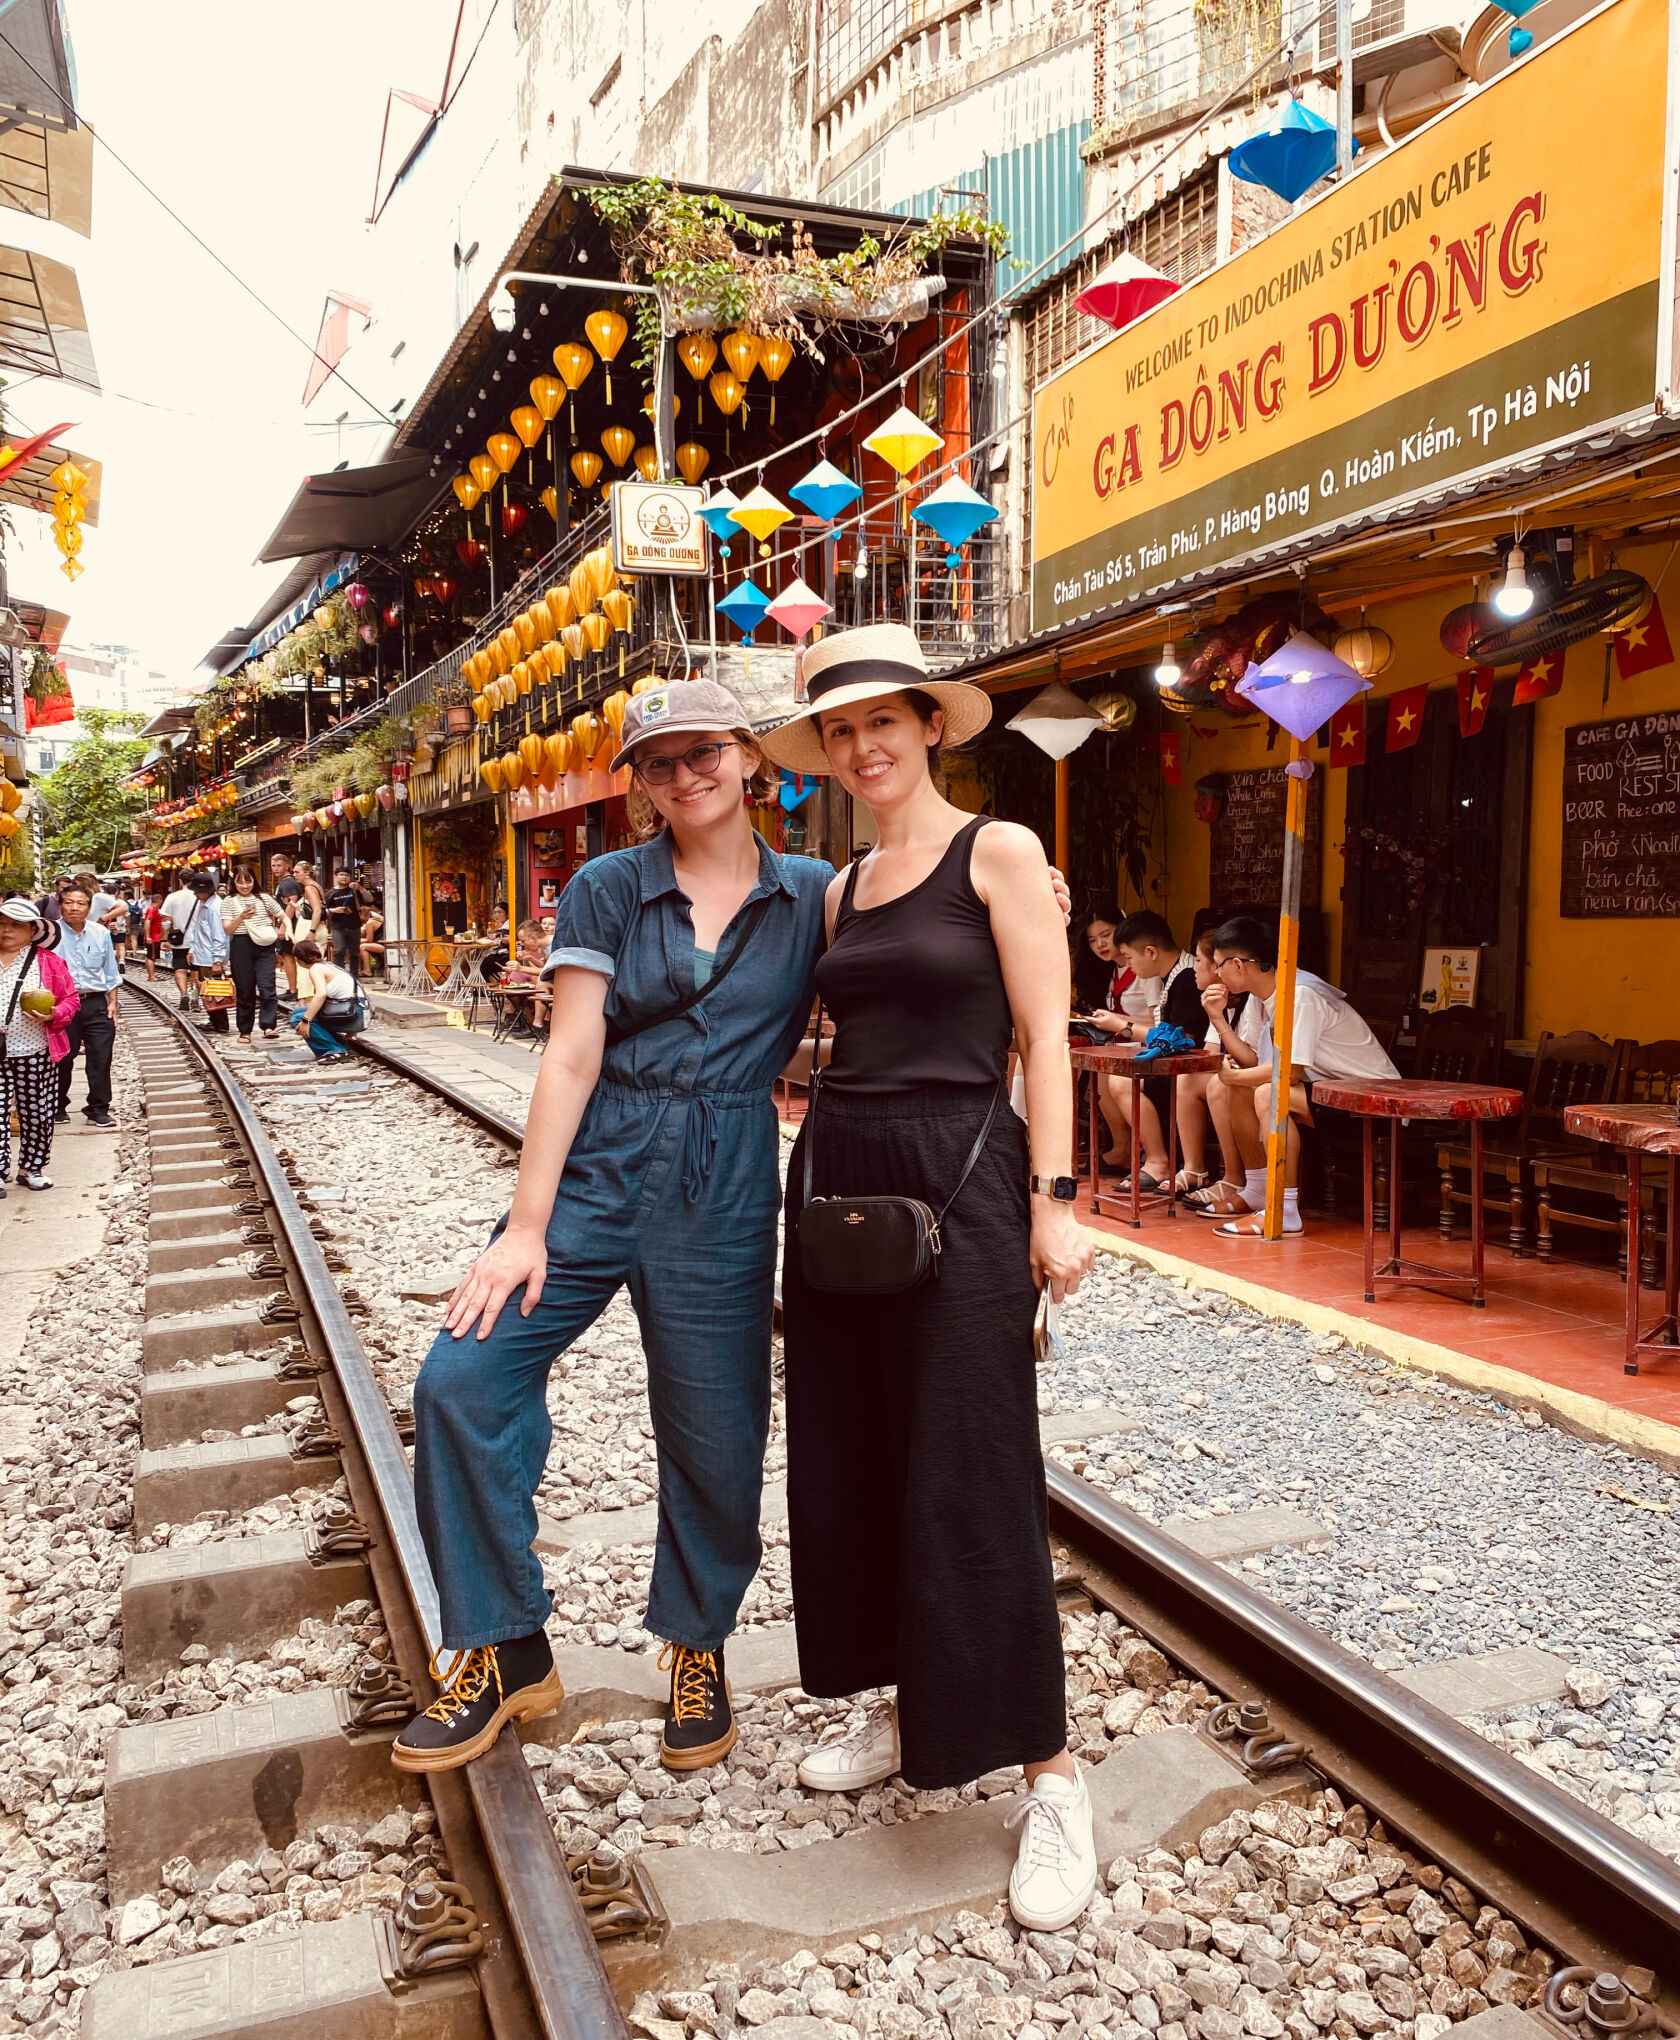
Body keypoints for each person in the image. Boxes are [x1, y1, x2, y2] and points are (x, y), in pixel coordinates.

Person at [393, 674, 1075, 1783]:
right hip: (604, 1160)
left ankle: (696, 1646)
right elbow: (569, 1053)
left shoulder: (818, 892)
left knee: (715, 1429)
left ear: (751, 758)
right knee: (460, 1379)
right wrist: (524, 1228)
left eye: (705, 751)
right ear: (642, 785)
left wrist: (1030, 888)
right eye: (659, 762)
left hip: (726, 1178)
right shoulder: (610, 887)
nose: (685, 776)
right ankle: (502, 1639)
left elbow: (927, 933)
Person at [759, 625, 1098, 1933]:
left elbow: (1046, 1042)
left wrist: (1055, 1203)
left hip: (962, 1169)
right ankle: (907, 1709)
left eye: (884, 721)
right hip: (842, 1171)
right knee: (859, 1457)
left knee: (974, 1471)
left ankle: (1052, 1781)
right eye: (840, 732)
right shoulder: (840, 889)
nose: (864, 746)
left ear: (932, 727)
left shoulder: (999, 853)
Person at [1203, 913, 1399, 1237]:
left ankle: (1285, 1210)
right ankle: (1256, 1190)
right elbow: (1252, 1058)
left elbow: (1289, 1073)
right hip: (1326, 1093)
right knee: (1237, 1090)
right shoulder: (1259, 996)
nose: (1215, 971)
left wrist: (1234, 1077)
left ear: (1238, 964)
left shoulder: (1300, 994)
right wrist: (1218, 1019)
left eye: (1218, 963)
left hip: (1371, 1100)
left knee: (1268, 1092)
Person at [1095, 911, 1206, 1194]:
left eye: (1130, 958)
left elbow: (1185, 1039)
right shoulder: (1170, 975)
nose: (1129, 966)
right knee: (1113, 1074)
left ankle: (1158, 1160)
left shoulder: (1188, 978)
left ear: (1150, 952)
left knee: (1121, 1080)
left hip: (1192, 1069)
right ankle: (1143, 1154)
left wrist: (1122, 1025)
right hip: (1177, 1066)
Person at [0, 897, 79, 1193]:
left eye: (15, 925)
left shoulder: (49, 962)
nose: (6, 930)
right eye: (1, 923)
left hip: (34, 1050)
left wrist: (54, 1014)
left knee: (37, 1112)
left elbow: (70, 999)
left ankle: (32, 1168)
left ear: (32, 930)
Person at [52, 882, 121, 1128]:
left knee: (101, 1056)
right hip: (62, 1005)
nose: (74, 908)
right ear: (60, 906)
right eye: (69, 902)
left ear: (89, 908)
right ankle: (58, 1105)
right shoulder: (51, 934)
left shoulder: (100, 933)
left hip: (95, 1002)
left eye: (81, 903)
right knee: (62, 1057)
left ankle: (98, 1108)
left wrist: (113, 1002)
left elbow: (110, 972)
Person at [221, 865, 284, 1044]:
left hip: (265, 945)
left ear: (254, 881)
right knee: (245, 989)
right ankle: (245, 1030)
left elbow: (282, 915)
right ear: (234, 882)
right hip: (241, 944)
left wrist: (287, 929)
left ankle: (269, 1025)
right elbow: (227, 929)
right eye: (240, 882)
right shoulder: (229, 901)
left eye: (248, 881)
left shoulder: (264, 898)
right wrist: (240, 917)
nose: (244, 885)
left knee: (267, 986)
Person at [288, 938, 360, 1059]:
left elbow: (321, 994)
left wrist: (306, 1020)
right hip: (354, 1010)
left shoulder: (315, 969)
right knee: (297, 1012)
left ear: (299, 959)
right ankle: (341, 1045)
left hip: (350, 1013)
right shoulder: (326, 965)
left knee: (297, 1019)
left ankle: (334, 1050)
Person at [181, 874, 230, 1035]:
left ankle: (220, 1023)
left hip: (210, 956)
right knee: (206, 990)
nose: (194, 894)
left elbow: (219, 935)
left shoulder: (215, 908)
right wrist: (192, 949)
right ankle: (214, 1020)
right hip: (202, 954)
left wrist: (217, 959)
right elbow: (198, 930)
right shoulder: (204, 905)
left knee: (214, 990)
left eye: (196, 891)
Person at [160, 871, 199, 1007]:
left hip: (179, 940)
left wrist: (164, 939)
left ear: (180, 881)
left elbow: (166, 920)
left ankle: (184, 994)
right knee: (196, 970)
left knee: (180, 968)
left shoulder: (172, 897)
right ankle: (194, 998)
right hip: (198, 941)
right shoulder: (199, 896)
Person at [270, 852, 302, 998]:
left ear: (287, 866)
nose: (275, 868)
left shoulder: (288, 883)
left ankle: (293, 989)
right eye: (273, 866)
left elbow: (291, 903)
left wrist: (284, 926)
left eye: (279, 865)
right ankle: (293, 987)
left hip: (291, 924)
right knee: (286, 954)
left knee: (287, 955)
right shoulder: (284, 882)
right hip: (289, 923)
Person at [325, 866, 365, 979]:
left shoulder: (354, 890)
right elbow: (324, 910)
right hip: (338, 926)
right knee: (339, 950)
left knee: (354, 953)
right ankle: (340, 976)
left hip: (354, 926)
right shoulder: (330, 893)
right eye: (341, 875)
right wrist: (335, 910)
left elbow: (370, 899)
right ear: (336, 876)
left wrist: (360, 888)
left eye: (347, 875)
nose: (344, 877)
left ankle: (354, 977)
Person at [141, 892, 165, 983]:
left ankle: (151, 975)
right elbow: (147, 922)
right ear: (159, 900)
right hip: (153, 937)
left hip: (154, 937)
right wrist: (148, 936)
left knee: (149, 956)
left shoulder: (154, 909)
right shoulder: (152, 909)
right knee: (151, 957)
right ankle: (152, 976)